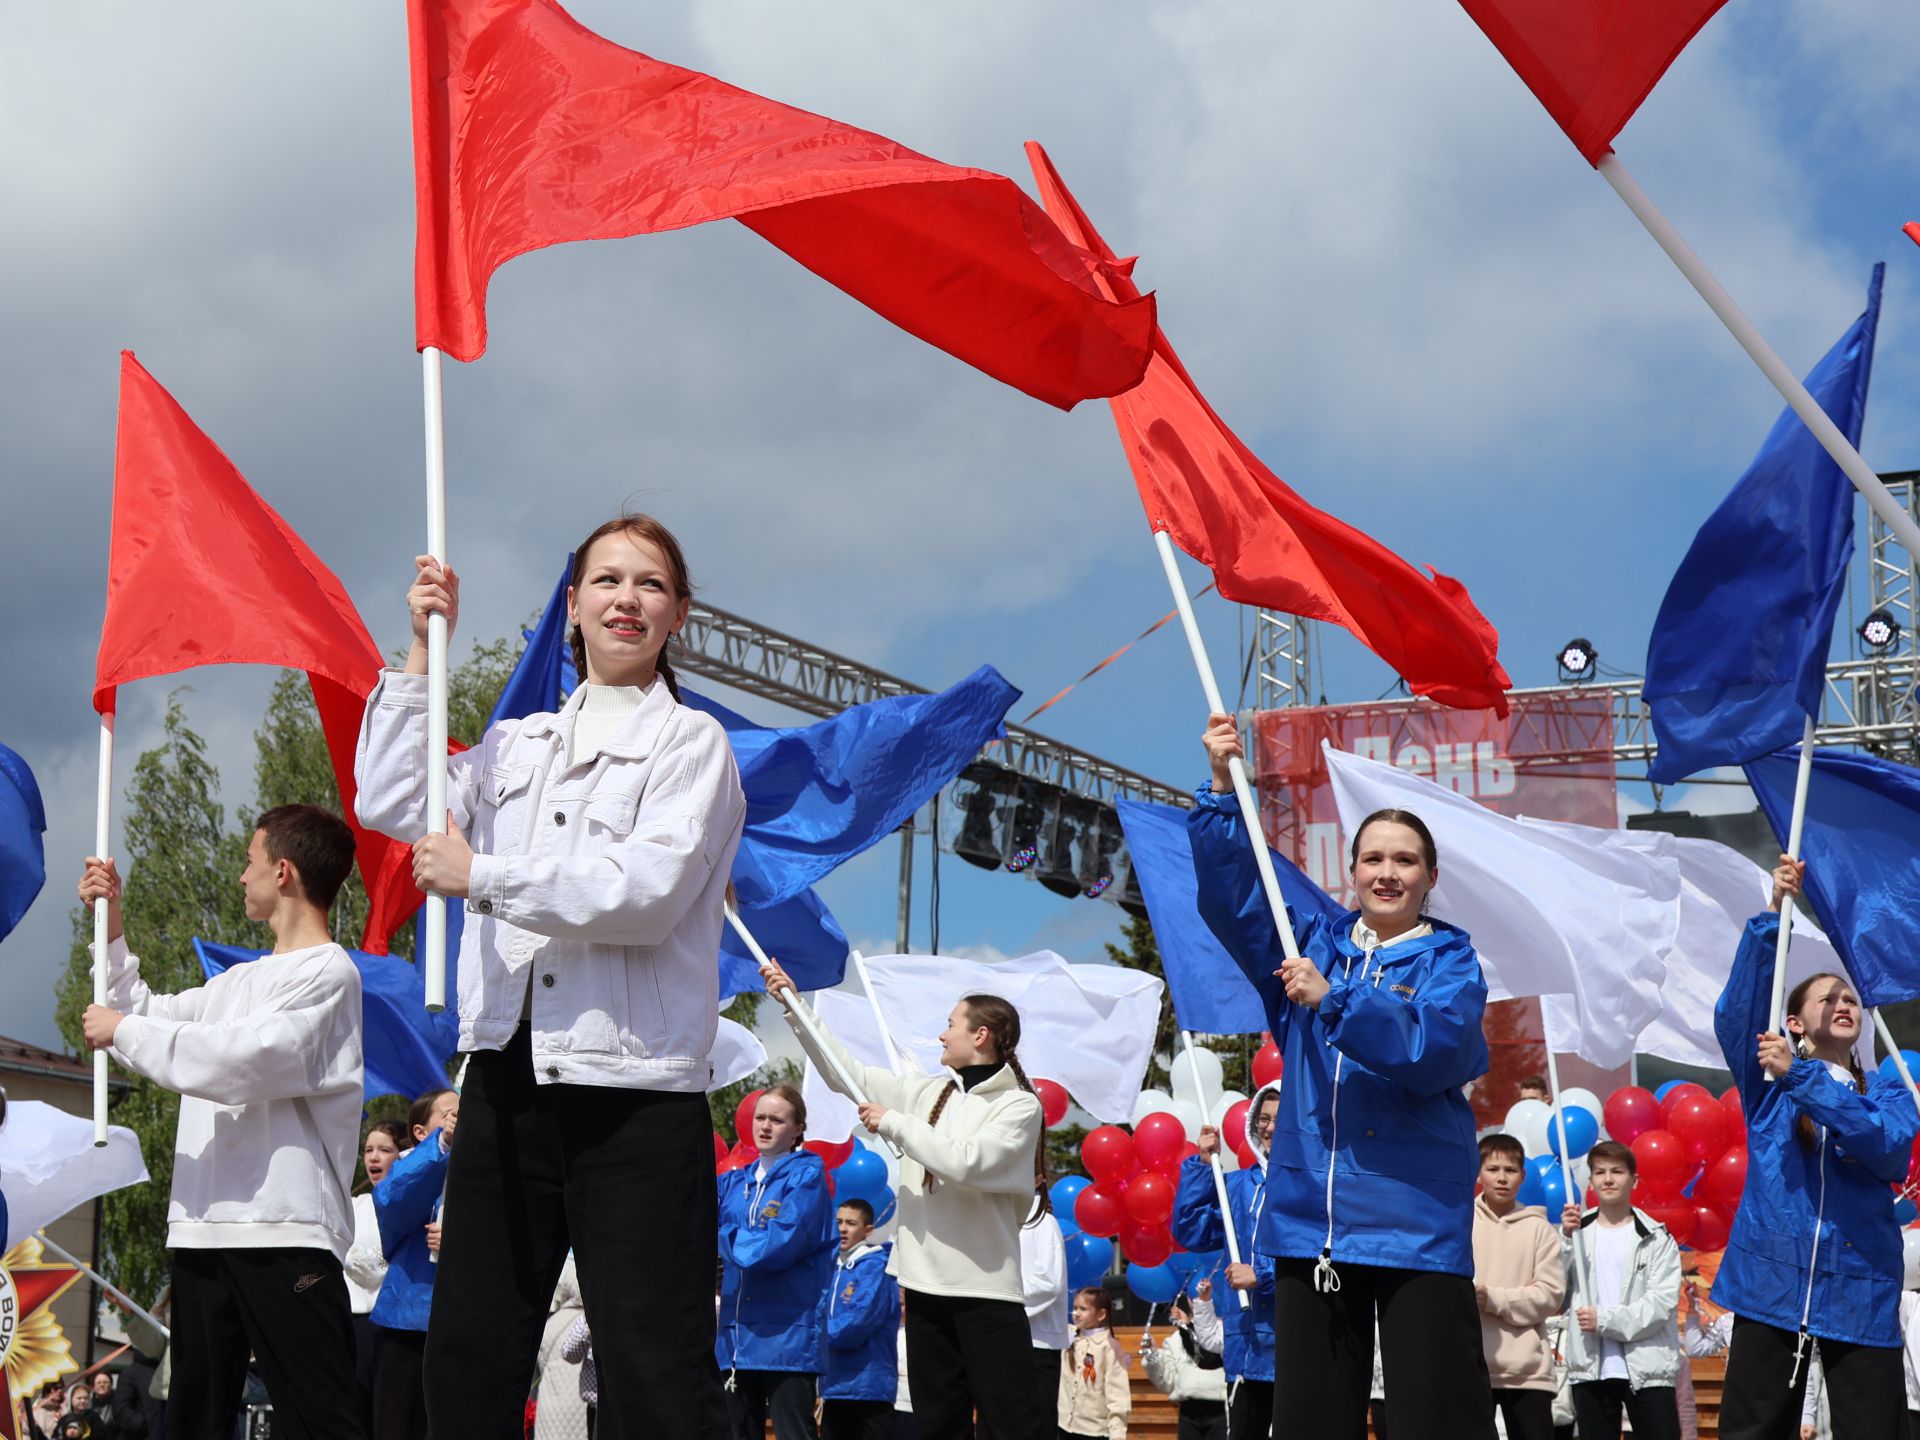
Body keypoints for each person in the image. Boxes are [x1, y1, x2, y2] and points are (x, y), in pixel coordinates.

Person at [355, 514, 747, 1440]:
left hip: (636, 1095)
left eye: (650, 584)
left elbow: (643, 894)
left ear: (678, 614)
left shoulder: (692, 746)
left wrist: (483, 878)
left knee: (655, 1368)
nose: (627, 599)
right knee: (469, 1356)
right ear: (572, 606)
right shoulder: (513, 746)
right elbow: (391, 800)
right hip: (505, 1079)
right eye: (606, 580)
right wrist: (418, 651)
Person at [1190, 714, 1494, 1437]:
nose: (1387, 872)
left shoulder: (1451, 963)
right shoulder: (1309, 946)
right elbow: (1238, 898)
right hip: (1312, 1225)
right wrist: (1221, 788)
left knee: (1432, 1420)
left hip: (1414, 1226)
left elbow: (1434, 1052)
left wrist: (1337, 999)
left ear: (1430, 876)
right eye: (1373, 859)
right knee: (1309, 1423)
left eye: (1405, 860)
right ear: (1351, 872)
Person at [77, 805, 366, 1440]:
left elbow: (247, 1060)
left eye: (249, 861)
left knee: (320, 1417)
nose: (242, 876)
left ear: (283, 871)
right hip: (205, 1229)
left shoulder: (330, 975)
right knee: (194, 1421)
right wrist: (113, 922)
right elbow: (140, 1013)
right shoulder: (239, 983)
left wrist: (126, 1028)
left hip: (285, 1229)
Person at [762, 967, 1050, 1440]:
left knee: (1011, 1425)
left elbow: (968, 1162)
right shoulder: (930, 1092)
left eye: (951, 1024)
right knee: (937, 1425)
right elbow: (844, 1074)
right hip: (922, 1288)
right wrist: (795, 1007)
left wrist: (895, 1123)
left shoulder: (1019, 1106)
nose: (942, 1032)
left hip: (986, 1293)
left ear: (981, 1035)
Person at [1712, 856, 1919, 1440]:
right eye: (1826, 998)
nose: (1843, 1003)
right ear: (1795, 1024)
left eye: (1849, 997)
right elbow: (1736, 1013)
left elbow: (1884, 1148)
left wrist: (1804, 1079)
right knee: (1753, 1431)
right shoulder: (1768, 1089)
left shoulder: (1887, 1089)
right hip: (1772, 1286)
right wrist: (1774, 911)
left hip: (1861, 1287)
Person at [718, 1084, 834, 1440]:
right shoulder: (734, 1183)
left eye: (777, 1120)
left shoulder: (807, 1176)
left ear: (798, 1129)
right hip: (736, 1338)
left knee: (793, 1433)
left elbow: (781, 1242)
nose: (765, 1126)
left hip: (788, 1336)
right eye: (760, 1117)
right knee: (736, 1432)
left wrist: (723, 1237)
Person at [1171, 1082, 1280, 1440]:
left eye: (1280, 1119)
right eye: (1263, 1119)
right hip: (1245, 1349)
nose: (1269, 1128)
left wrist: (1262, 1275)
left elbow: (1324, 1257)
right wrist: (1203, 1166)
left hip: (1295, 1345)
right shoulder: (1239, 1186)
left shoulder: (1313, 1184)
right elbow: (1191, 1230)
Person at [1556, 1140, 1682, 1439]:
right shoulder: (1576, 1233)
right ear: (1591, 1180)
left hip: (1648, 1368)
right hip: (1590, 1367)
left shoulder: (1656, 1238)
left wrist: (1605, 1320)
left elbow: (1660, 1304)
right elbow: (1556, 1294)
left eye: (1617, 1171)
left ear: (1634, 1180)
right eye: (1600, 1172)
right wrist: (1563, 1242)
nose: (1608, 1179)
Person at [370, 1088, 458, 1440]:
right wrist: (443, 1144)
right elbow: (391, 1203)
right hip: (408, 1320)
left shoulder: (485, 1166)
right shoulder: (413, 1164)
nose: (461, 1118)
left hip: (464, 1320)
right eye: (450, 1112)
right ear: (422, 1132)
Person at [1473, 1132, 1566, 1440]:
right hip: (1472, 1369)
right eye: (1493, 1169)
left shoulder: (1539, 1228)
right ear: (1478, 1171)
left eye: (1510, 1170)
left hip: (1528, 1374)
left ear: (1523, 1176)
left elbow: (1550, 1295)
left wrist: (1493, 1299)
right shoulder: (1461, 1222)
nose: (1502, 1178)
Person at [818, 1197, 902, 1440]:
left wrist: (813, 1338)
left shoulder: (876, 1267)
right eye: (839, 1222)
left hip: (869, 1386)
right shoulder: (831, 1268)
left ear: (868, 1230)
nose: (843, 1228)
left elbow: (856, 1324)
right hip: (834, 1386)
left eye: (851, 1223)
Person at [346, 1118, 408, 1429]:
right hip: (355, 1325)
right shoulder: (353, 1207)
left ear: (402, 1154)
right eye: (368, 1150)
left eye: (384, 1149)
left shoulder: (411, 1205)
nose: (373, 1157)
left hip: (392, 1325)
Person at [1140, 1290, 1228, 1440]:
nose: (1196, 1298)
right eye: (1193, 1294)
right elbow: (1168, 1383)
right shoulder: (1175, 1338)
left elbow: (1209, 1357)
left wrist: (1188, 1328)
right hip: (1188, 1412)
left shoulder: (1223, 1332)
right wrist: (1153, 1355)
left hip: (1220, 1410)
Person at [1019, 1194, 1070, 1428]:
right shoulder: (999, 1219)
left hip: (1036, 1342)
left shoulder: (1042, 1222)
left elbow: (1049, 1282)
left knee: (1033, 1426)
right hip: (999, 1338)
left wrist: (1003, 1302)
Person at [1056, 1287, 1129, 1440]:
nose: (1076, 1313)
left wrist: (1117, 1434)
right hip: (1063, 1427)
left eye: (1083, 1309)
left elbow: (1117, 1393)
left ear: (1101, 1314)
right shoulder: (1068, 1336)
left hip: (1093, 1431)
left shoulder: (1109, 1347)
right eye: (1075, 1308)